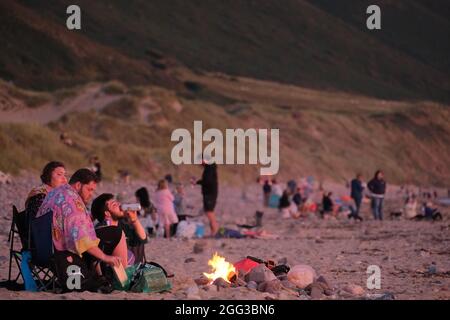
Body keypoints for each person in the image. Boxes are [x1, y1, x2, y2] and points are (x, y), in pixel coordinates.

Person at [36, 169, 121, 292]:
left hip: (43, 249)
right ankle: (122, 277)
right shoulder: (73, 202)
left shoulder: (55, 192)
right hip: (62, 253)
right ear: (78, 185)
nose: (91, 194)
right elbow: (82, 239)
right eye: (89, 189)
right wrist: (106, 257)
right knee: (116, 232)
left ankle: (100, 273)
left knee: (111, 232)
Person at [91, 194, 147, 265]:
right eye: (114, 205)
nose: (119, 205)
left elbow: (143, 238)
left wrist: (134, 220)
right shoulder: (102, 232)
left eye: (117, 202)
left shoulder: (123, 225)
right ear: (107, 213)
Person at [197, 160, 219, 237]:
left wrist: (199, 182)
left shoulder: (209, 168)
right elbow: (207, 180)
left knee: (209, 212)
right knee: (209, 212)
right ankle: (213, 232)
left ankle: (215, 231)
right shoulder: (209, 167)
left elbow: (208, 181)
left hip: (210, 193)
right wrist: (198, 182)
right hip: (209, 193)